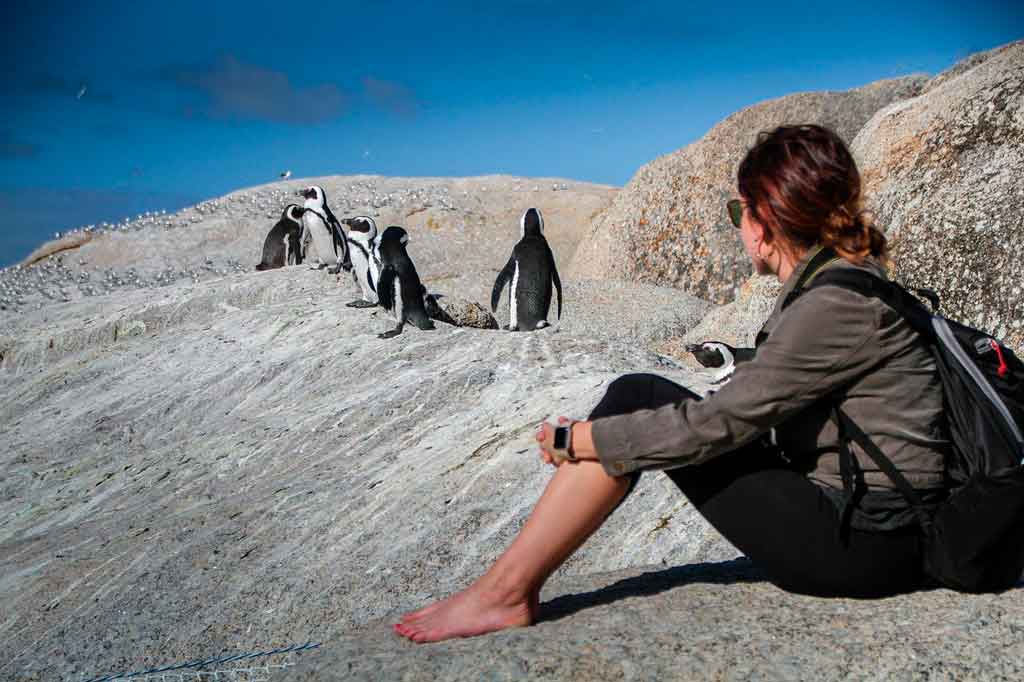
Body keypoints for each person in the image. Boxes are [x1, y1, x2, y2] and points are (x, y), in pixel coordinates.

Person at [394, 124, 950, 644]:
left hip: (870, 542)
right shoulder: (844, 288)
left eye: (740, 211)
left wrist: (582, 441)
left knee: (638, 395)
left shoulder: (834, 304)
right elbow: (756, 403)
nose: (739, 227)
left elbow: (719, 424)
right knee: (643, 399)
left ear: (766, 223)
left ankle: (504, 593)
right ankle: (506, 589)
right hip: (880, 524)